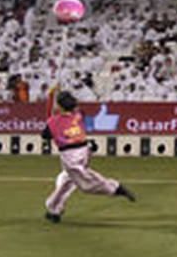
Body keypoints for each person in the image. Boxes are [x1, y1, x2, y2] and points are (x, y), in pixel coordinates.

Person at [41, 87, 135, 222]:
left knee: (86, 184)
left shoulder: (54, 121)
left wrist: (50, 121)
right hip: (85, 149)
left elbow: (45, 135)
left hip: (70, 156)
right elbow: (73, 112)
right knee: (66, 179)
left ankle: (114, 188)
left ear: (60, 106)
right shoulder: (78, 116)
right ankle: (54, 209)